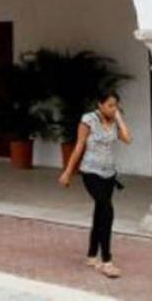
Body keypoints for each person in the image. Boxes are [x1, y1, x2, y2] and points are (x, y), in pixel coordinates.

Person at [59, 89, 132, 278]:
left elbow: (127, 139)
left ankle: (92, 255)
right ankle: (107, 261)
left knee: (100, 212)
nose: (113, 109)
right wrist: (68, 172)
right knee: (107, 211)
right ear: (100, 105)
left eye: (115, 105)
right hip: (91, 172)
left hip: (110, 174)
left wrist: (119, 119)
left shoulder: (115, 120)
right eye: (109, 105)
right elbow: (78, 146)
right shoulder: (88, 120)